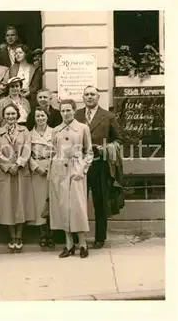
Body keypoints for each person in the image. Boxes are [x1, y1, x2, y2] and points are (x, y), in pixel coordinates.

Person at [74, 86, 122, 249]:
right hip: (80, 165)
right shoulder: (76, 115)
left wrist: (106, 148)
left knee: (100, 202)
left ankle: (100, 237)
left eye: (92, 94)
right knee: (78, 201)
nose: (89, 97)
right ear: (83, 97)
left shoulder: (108, 116)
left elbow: (119, 140)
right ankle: (77, 238)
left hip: (100, 165)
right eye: (86, 94)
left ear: (98, 97)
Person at [49, 99, 93, 259]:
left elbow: (89, 152)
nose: (66, 113)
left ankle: (83, 243)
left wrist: (82, 169)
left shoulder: (82, 128)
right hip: (59, 171)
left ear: (74, 111)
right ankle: (68, 244)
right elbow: (54, 151)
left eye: (68, 110)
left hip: (76, 170)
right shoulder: (56, 130)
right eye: (63, 111)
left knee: (77, 207)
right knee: (62, 207)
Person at [0, 104, 35, 252]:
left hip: (20, 171)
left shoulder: (24, 131)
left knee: (20, 203)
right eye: (7, 114)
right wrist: (7, 165)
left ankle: (19, 235)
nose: (10, 117)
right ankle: (12, 236)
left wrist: (18, 164)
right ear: (4, 116)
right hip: (6, 172)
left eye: (13, 114)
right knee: (8, 204)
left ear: (17, 115)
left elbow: (27, 149)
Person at [28, 106, 55, 248]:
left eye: (42, 115)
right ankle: (42, 234)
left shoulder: (54, 132)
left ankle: (52, 233)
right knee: (39, 203)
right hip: (37, 170)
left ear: (47, 116)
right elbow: (26, 153)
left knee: (51, 201)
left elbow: (58, 152)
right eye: (37, 116)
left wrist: (51, 167)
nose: (40, 118)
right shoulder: (29, 134)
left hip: (51, 168)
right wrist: (36, 167)